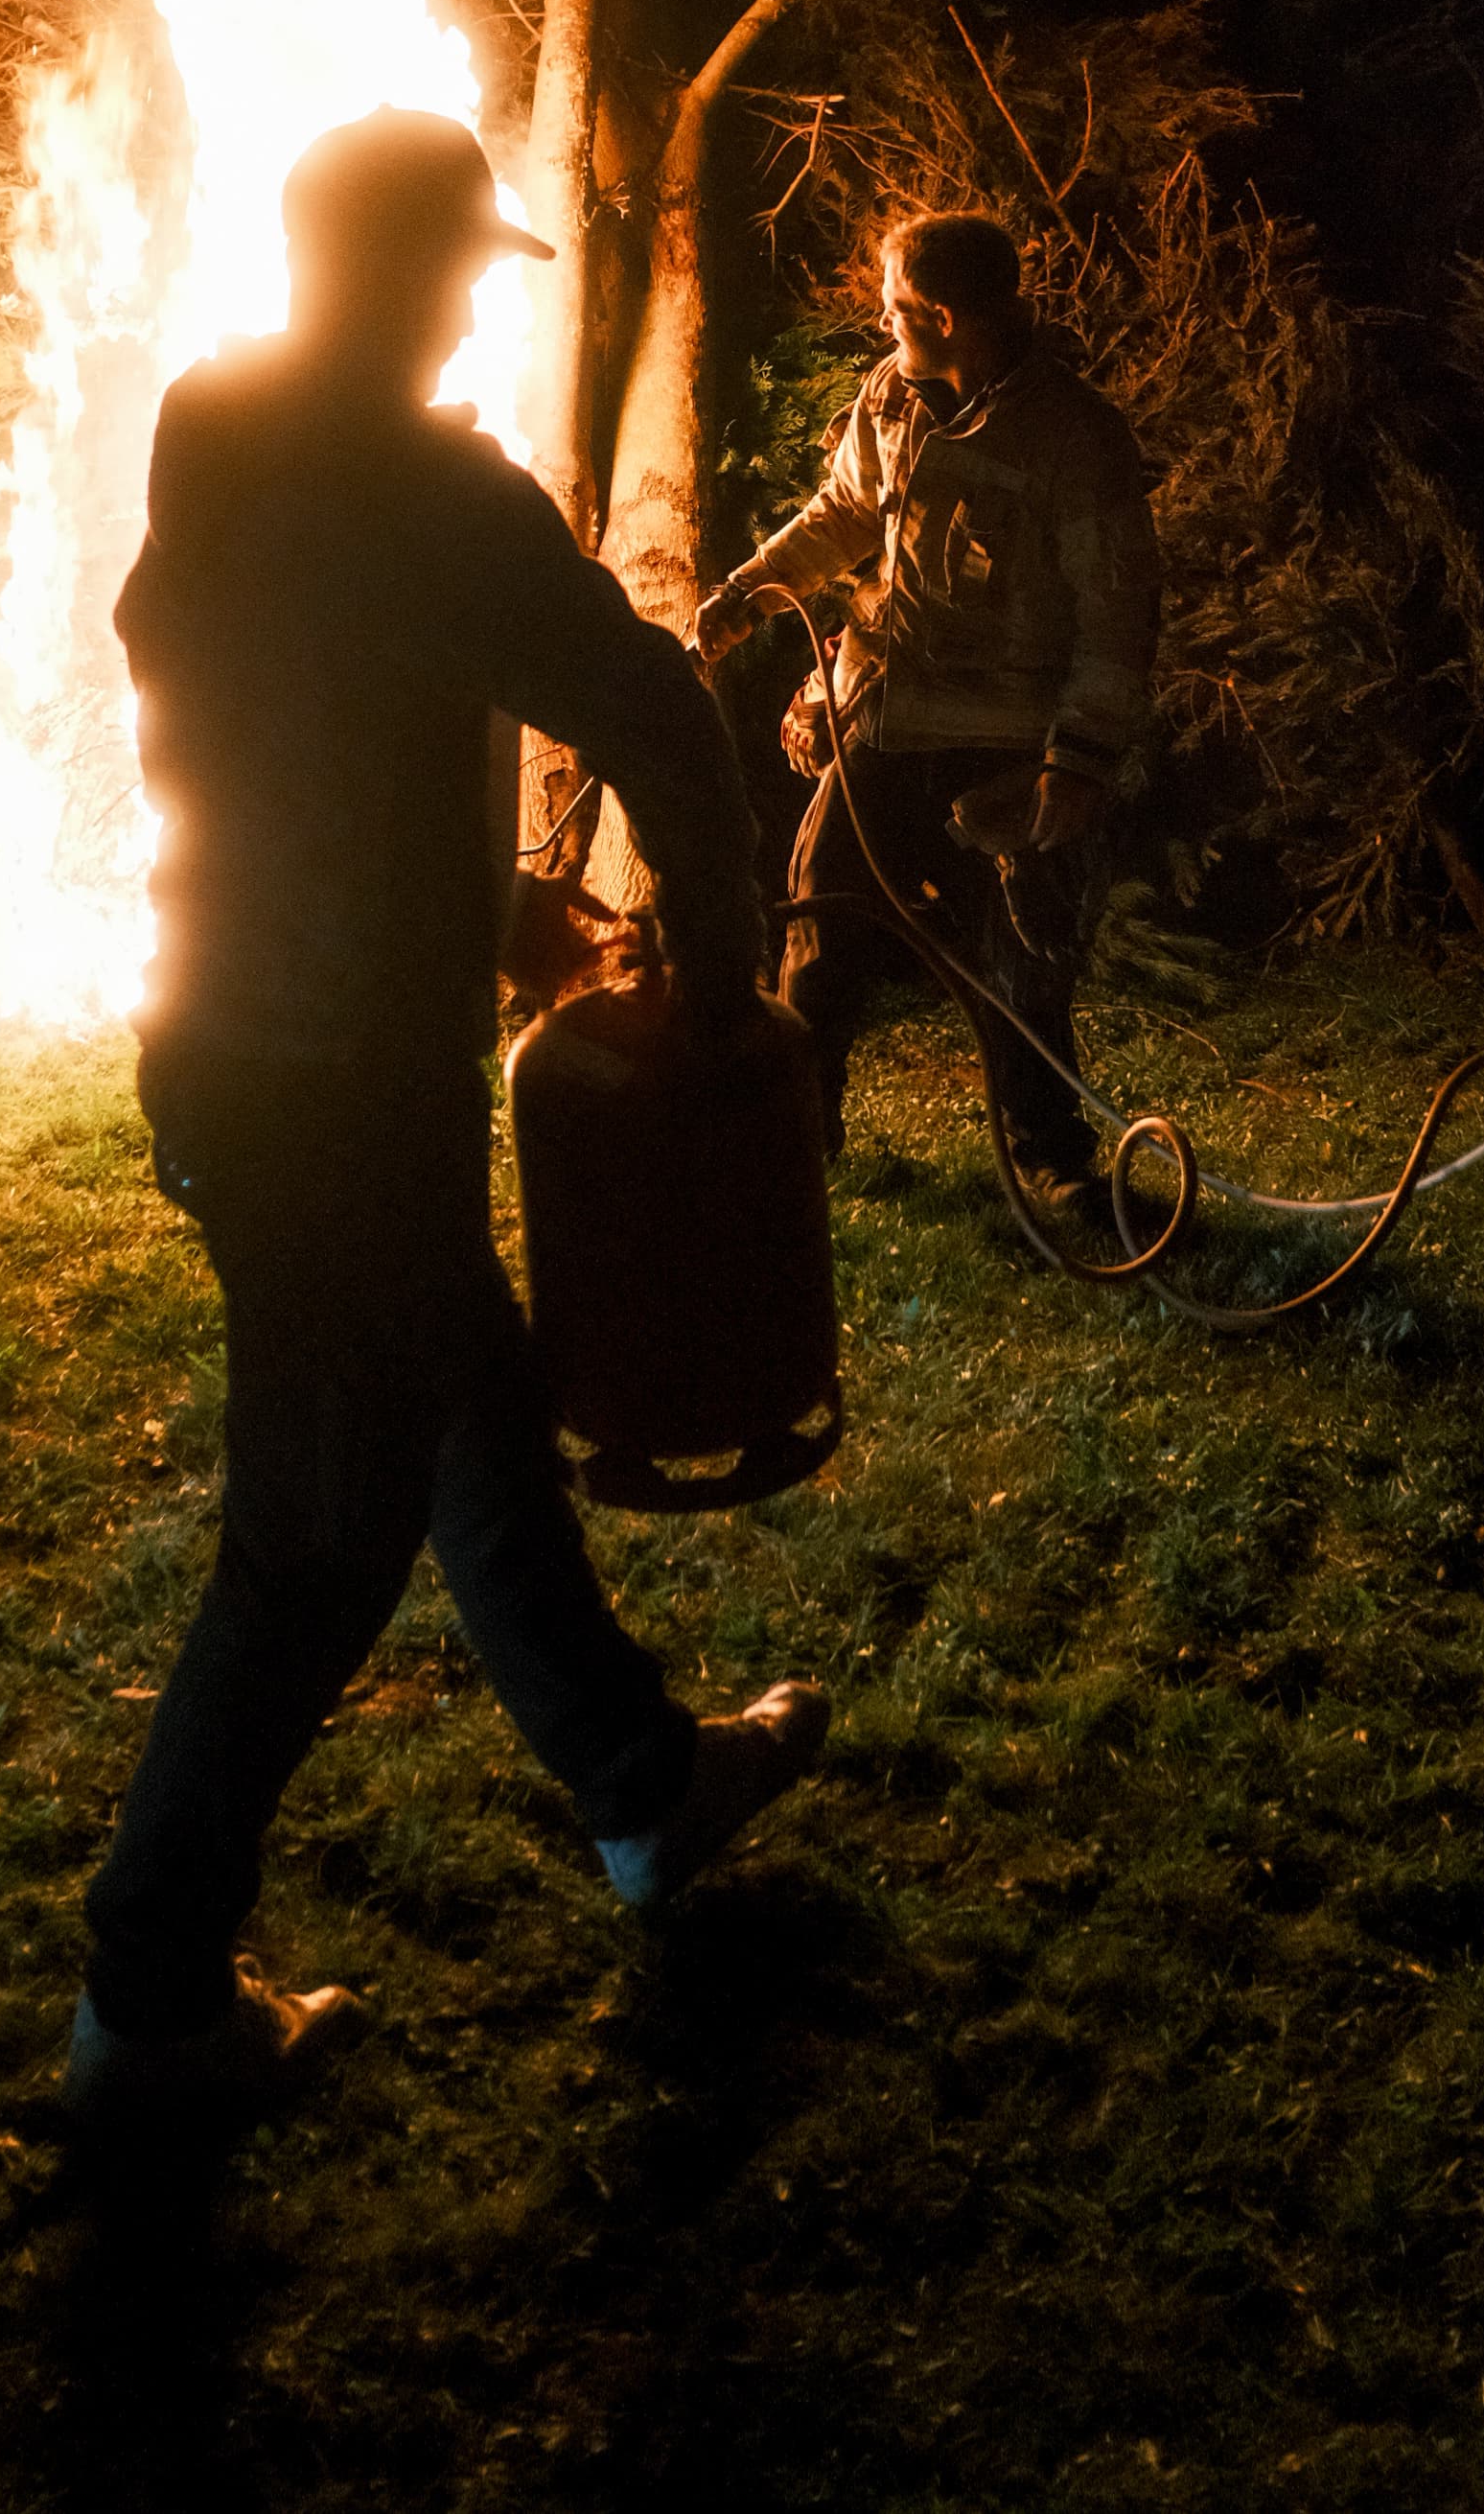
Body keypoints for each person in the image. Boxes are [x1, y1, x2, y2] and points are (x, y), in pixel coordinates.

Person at [64, 108, 827, 2144]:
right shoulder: (437, 491)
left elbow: (229, 696)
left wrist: (470, 896)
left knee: (473, 1409)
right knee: (315, 1546)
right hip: (332, 1079)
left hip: (225, 1035)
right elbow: (652, 706)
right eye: (460, 270)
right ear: (414, 274)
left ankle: (645, 1785)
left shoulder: (209, 432)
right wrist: (726, 957)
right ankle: (145, 1998)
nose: (461, 304)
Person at [696, 211, 1160, 1204]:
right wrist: (744, 594)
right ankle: (793, 1142)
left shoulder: (1076, 441)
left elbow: (1116, 615)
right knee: (818, 927)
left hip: (1007, 746)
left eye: (895, 303)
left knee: (1019, 968)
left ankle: (1051, 1157)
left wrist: (1074, 764)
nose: (881, 318)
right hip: (883, 721)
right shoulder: (891, 396)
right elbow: (845, 510)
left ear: (946, 315)